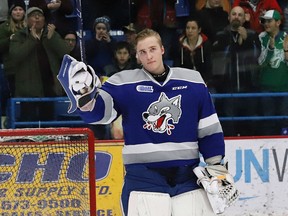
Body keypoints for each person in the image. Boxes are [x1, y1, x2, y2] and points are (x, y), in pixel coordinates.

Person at [59, 28, 239, 215]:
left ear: (162, 49)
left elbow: (208, 128)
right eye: (142, 52)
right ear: (137, 56)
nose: (148, 56)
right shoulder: (122, 83)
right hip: (143, 180)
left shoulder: (193, 81)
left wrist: (216, 165)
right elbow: (99, 114)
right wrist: (84, 95)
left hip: (187, 178)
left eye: (152, 49)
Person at [9, 7, 70, 122]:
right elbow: (16, 56)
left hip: (50, 86)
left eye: (40, 15)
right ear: (26, 20)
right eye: (33, 15)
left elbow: (65, 52)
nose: (37, 17)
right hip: (28, 88)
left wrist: (52, 39)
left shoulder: (51, 34)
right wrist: (32, 39)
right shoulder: (19, 36)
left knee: (49, 122)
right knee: (28, 122)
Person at [212, 6, 261, 136]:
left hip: (249, 87)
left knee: (250, 123)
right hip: (228, 88)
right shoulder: (221, 35)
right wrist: (236, 44)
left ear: (245, 19)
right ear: (229, 17)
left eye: (240, 15)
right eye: (234, 14)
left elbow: (256, 55)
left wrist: (247, 41)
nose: (236, 17)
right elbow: (221, 56)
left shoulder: (252, 35)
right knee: (230, 125)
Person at [258, 10, 288, 135]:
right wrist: (270, 49)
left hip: (284, 86)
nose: (266, 24)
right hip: (266, 86)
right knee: (268, 119)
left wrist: (286, 51)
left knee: (284, 119)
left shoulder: (286, 37)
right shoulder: (261, 37)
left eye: (269, 21)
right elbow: (260, 62)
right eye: (265, 21)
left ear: (278, 22)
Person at [0, 0, 26, 117]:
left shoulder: (29, 27)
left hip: (28, 69)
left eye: (20, 9)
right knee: (10, 95)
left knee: (25, 98)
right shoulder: (3, 27)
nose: (18, 12)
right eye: (15, 10)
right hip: (11, 69)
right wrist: (9, 39)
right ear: (11, 12)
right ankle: (9, 121)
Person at [173, 17, 213, 89]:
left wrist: (205, 83)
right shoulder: (179, 45)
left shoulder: (206, 45)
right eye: (188, 28)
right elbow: (176, 68)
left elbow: (209, 67)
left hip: (204, 83)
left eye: (193, 28)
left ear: (199, 30)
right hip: (185, 84)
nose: (190, 31)